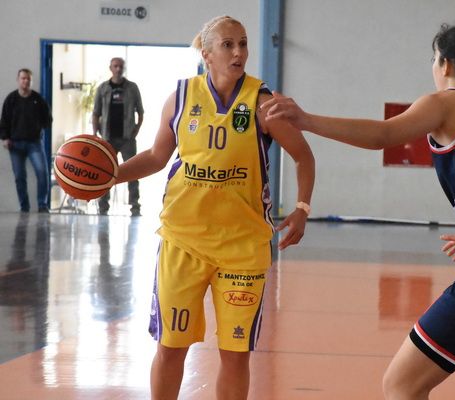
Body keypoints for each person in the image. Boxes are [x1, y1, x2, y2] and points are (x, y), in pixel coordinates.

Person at [264, 23, 455, 400]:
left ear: (446, 64)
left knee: (401, 385)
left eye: (434, 58)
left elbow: (383, 135)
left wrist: (307, 120)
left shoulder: (446, 102)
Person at [113, 15, 315, 400]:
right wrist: (111, 176)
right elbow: (156, 157)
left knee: (235, 356)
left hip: (242, 247)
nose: (238, 52)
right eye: (228, 45)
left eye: (243, 43)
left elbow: (303, 156)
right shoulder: (180, 97)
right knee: (170, 347)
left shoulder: (262, 103)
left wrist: (302, 207)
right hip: (183, 242)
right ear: (206, 54)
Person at [92, 57, 144, 216]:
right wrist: (95, 135)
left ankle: (135, 205)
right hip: (108, 139)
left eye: (121, 66)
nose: (118, 69)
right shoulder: (103, 88)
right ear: (110, 68)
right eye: (115, 66)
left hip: (127, 139)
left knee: (133, 172)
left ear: (124, 68)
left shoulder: (132, 88)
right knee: (105, 172)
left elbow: (140, 112)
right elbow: (96, 113)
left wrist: (136, 130)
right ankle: (103, 206)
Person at [0, 68, 52, 213]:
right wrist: (5, 138)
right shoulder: (11, 99)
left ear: (31, 81)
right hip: (15, 144)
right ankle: (24, 207)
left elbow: (47, 119)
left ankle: (42, 205)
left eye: (28, 79)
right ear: (18, 80)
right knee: (19, 177)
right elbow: (4, 120)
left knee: (42, 173)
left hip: (34, 143)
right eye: (23, 78)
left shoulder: (38, 99)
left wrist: (39, 128)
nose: (26, 81)